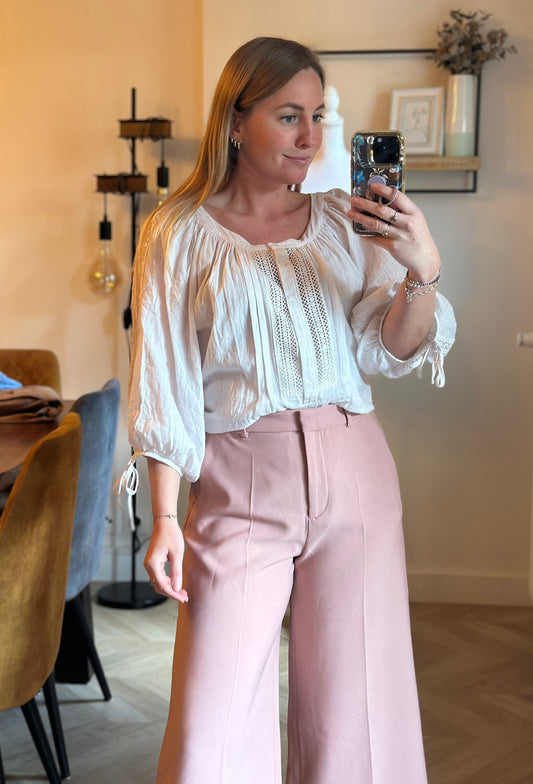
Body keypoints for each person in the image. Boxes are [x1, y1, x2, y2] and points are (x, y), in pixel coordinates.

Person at [121, 36, 456, 784]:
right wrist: (166, 517)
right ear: (235, 123)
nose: (309, 137)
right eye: (288, 116)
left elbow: (389, 347)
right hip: (240, 477)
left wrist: (422, 271)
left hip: (355, 467)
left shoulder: (346, 220)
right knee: (212, 721)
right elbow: (164, 381)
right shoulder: (177, 231)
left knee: (358, 710)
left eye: (318, 117)